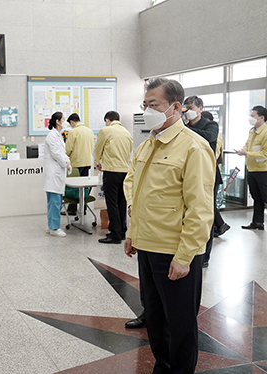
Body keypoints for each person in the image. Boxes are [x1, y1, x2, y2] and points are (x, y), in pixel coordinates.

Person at [124, 78, 215, 373]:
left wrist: (185, 256)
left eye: (154, 105)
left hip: (174, 252)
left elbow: (200, 209)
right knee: (155, 318)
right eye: (144, 105)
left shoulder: (193, 148)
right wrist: (132, 234)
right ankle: (162, 368)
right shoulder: (148, 144)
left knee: (180, 324)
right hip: (147, 247)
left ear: (176, 107)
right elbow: (139, 193)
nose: (147, 110)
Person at [182, 96, 221, 267]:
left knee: (206, 215)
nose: (188, 111)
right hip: (189, 174)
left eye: (190, 107)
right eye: (186, 108)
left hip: (208, 175)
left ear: (199, 108)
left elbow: (209, 137)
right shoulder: (185, 127)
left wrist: (184, 130)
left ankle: (205, 256)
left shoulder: (209, 125)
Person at [94, 111, 133, 244]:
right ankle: (122, 232)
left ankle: (115, 234)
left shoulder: (106, 130)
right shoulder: (127, 133)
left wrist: (97, 161)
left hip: (111, 171)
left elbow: (98, 148)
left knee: (112, 203)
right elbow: (129, 151)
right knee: (122, 202)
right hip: (125, 171)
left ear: (107, 120)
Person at [237, 105, 267, 230]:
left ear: (261, 117)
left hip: (263, 170)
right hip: (251, 168)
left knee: (265, 196)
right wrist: (243, 150)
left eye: (253, 116)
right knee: (256, 197)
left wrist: (247, 153)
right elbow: (248, 145)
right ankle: (257, 222)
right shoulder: (252, 130)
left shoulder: (265, 132)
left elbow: (265, 154)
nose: (251, 118)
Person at [201, 110, 230, 237]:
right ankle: (220, 225)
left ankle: (219, 225)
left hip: (212, 170)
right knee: (209, 203)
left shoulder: (213, 133)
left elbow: (215, 153)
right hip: (207, 170)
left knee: (209, 203)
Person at [44, 112, 71, 237]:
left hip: (57, 173)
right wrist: (65, 163)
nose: (65, 122)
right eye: (63, 119)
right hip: (54, 174)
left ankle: (52, 226)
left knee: (55, 202)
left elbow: (61, 152)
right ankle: (54, 228)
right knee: (54, 202)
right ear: (57, 121)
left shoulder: (58, 136)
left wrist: (67, 160)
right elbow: (56, 153)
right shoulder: (52, 136)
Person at [64, 113, 94, 215]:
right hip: (87, 162)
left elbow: (68, 149)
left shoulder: (73, 132)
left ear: (72, 122)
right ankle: (83, 208)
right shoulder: (89, 131)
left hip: (77, 163)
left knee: (74, 187)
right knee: (84, 187)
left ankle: (72, 209)